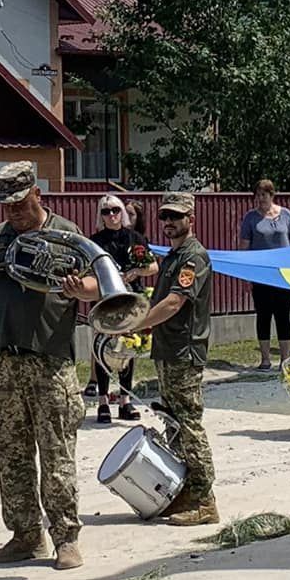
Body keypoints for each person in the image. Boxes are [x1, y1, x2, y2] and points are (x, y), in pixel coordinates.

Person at [0, 161, 88, 571]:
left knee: (56, 453)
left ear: (37, 193)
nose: (13, 213)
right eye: (6, 205)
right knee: (11, 454)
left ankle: (66, 538)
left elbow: (97, 283)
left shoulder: (65, 234)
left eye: (19, 203)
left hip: (49, 360)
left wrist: (79, 288)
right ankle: (25, 535)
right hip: (4, 361)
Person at [128, 191, 218, 524]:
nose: (169, 223)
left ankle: (205, 500)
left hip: (185, 351)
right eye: (165, 217)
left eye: (176, 217)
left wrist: (137, 323)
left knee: (189, 424)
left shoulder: (193, 257)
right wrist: (147, 329)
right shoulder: (173, 256)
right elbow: (162, 303)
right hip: (168, 349)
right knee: (174, 424)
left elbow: (173, 304)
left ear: (191, 219)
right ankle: (185, 493)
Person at [90, 194, 151, 421]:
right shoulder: (95, 241)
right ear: (101, 216)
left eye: (115, 210)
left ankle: (125, 399)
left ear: (122, 212)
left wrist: (137, 272)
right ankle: (103, 400)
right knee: (103, 349)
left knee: (128, 347)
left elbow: (152, 266)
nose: (112, 215)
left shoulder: (135, 238)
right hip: (106, 299)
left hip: (130, 297)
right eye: (106, 211)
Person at [238, 181, 290, 371]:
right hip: (261, 275)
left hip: (282, 274)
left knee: (283, 316)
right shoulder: (250, 218)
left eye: (264, 194)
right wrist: (246, 273)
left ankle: (285, 359)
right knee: (263, 316)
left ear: (272, 195)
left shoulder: (286, 214)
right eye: (258, 194)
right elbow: (244, 247)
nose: (261, 198)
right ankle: (265, 359)